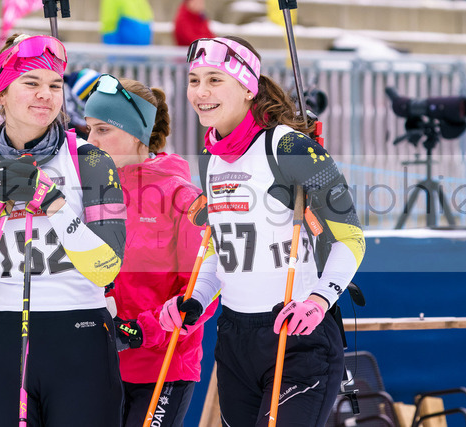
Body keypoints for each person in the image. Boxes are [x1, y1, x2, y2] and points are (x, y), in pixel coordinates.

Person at [159, 36, 366, 426]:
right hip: (235, 339)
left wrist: (319, 300)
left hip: (297, 337)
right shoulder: (212, 156)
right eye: (194, 80)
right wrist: (196, 299)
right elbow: (222, 249)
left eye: (215, 80)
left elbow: (350, 236)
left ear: (247, 87)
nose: (201, 92)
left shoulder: (289, 147)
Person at [0, 34, 126, 426]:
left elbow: (107, 269)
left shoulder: (92, 161)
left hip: (80, 334)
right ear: (2, 95)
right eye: (31, 83)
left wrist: (54, 204)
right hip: (4, 338)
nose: (46, 95)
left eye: (55, 85)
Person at [83, 74, 218, 426]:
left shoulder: (181, 196)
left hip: (162, 365)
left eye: (102, 129)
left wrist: (143, 329)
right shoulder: (92, 193)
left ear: (136, 133)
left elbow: (201, 289)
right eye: (89, 129)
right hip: (99, 364)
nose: (91, 140)